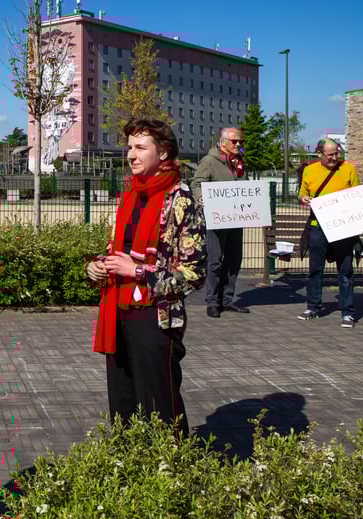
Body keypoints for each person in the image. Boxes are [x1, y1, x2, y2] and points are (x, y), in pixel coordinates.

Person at [87, 119, 206, 434]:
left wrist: (138, 272)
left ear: (163, 152)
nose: (131, 155)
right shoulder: (129, 196)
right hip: (117, 310)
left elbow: (195, 273)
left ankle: (170, 471)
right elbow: (119, 250)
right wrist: (99, 266)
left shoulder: (181, 201)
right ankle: (128, 470)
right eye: (129, 147)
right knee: (122, 403)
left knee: (159, 405)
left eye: (140, 147)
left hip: (156, 315)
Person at [297, 138, 360, 328]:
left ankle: (348, 312)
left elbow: (357, 196)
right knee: (315, 269)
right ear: (319, 154)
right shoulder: (309, 170)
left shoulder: (349, 169)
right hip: (318, 227)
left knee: (346, 270)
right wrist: (303, 198)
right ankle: (313, 307)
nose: (335, 157)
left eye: (337, 153)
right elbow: (301, 194)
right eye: (330, 154)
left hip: (343, 227)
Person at [190, 127, 250, 318]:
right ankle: (212, 301)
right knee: (215, 261)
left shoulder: (238, 163)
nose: (238, 145)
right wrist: (201, 199)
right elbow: (196, 183)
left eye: (240, 142)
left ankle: (227, 300)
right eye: (235, 142)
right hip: (217, 219)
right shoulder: (209, 161)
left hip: (235, 218)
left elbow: (244, 186)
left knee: (234, 260)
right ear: (223, 142)